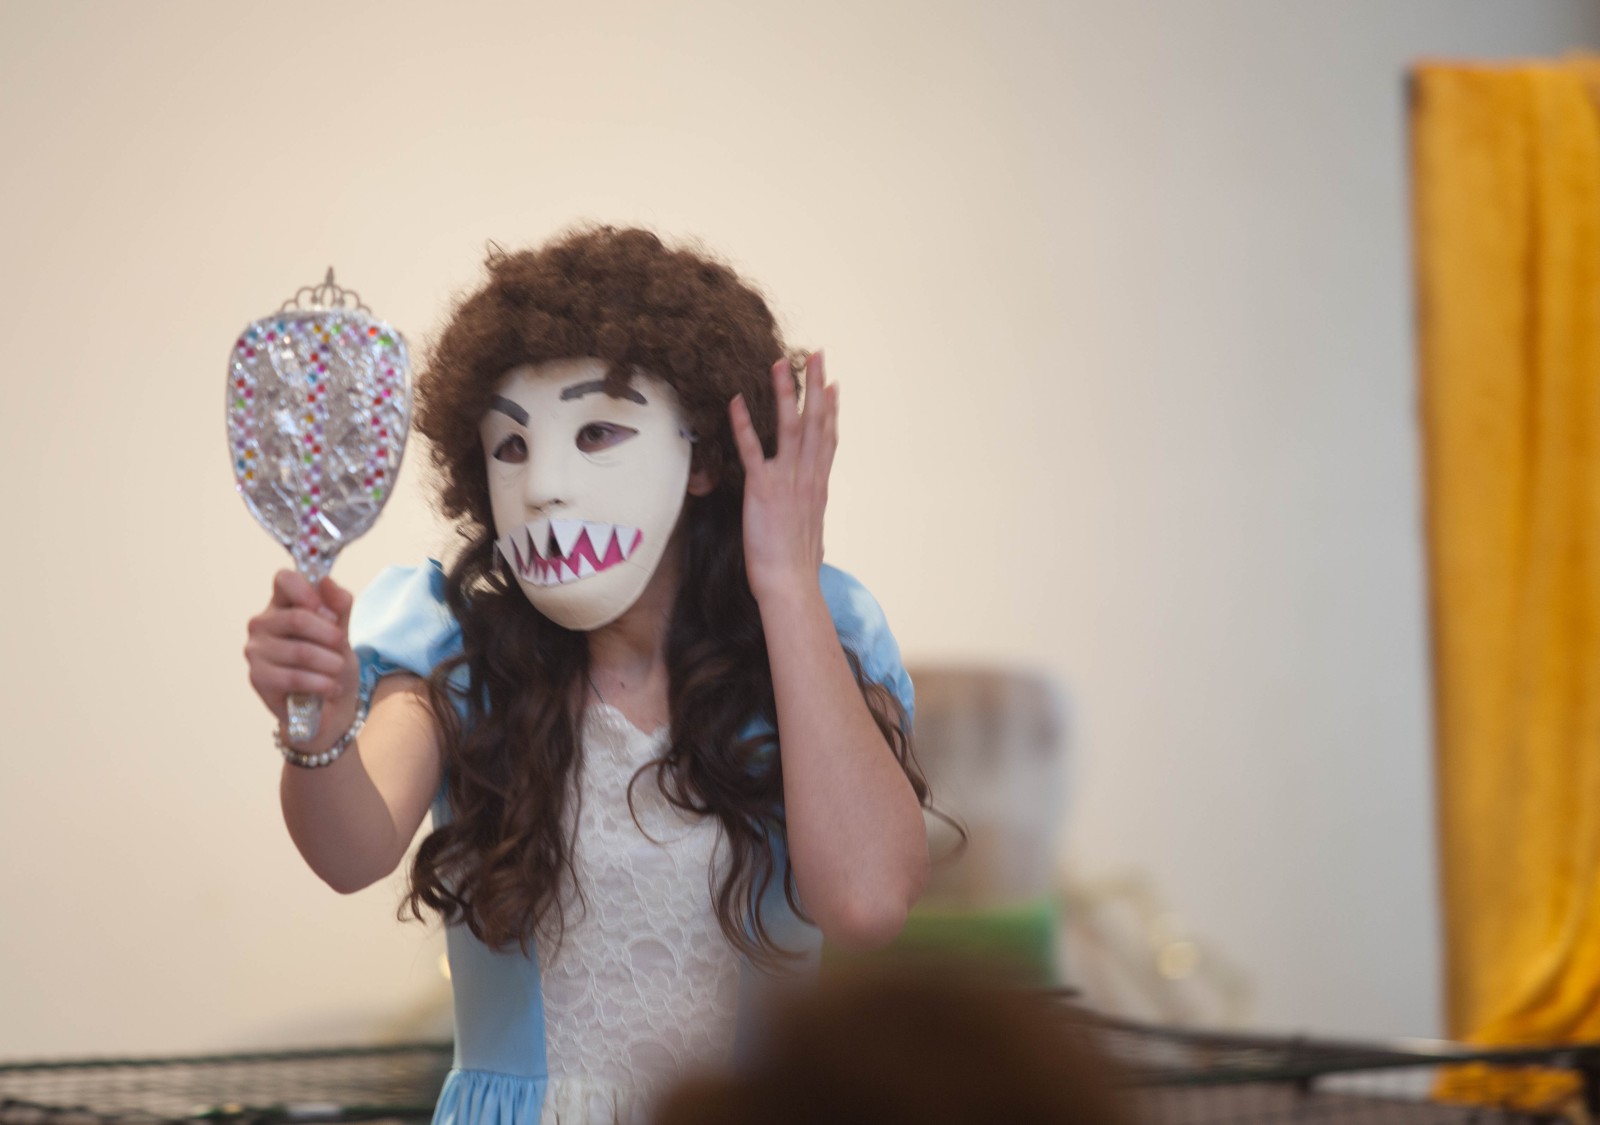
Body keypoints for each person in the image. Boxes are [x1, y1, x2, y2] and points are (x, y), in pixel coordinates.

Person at [242, 226, 935, 1125]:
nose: (543, 487)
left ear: (703, 458)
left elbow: (868, 903)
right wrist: (319, 723)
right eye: (511, 448)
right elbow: (349, 853)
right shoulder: (454, 649)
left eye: (598, 431)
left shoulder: (816, 641)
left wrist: (788, 584)